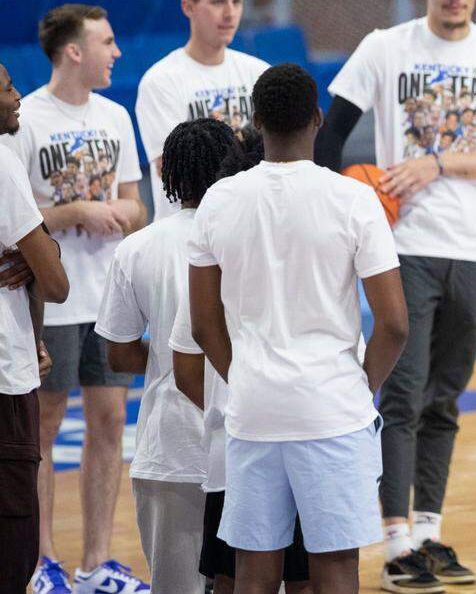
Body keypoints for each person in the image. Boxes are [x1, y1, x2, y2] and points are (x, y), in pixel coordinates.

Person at [315, 0, 476, 593]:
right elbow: (327, 136)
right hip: (402, 248)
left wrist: (438, 162)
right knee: (404, 396)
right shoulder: (386, 47)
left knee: (445, 400)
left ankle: (431, 531)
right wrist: (343, 204)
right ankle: (394, 543)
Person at [188, 63, 409, 593]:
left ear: (256, 121)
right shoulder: (354, 199)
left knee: (253, 572)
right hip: (332, 408)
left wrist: (241, 375)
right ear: (317, 118)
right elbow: (395, 323)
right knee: (333, 567)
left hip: (254, 408)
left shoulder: (219, 200)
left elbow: (202, 324)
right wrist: (362, 384)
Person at [0, 5, 150, 594]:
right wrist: (76, 212)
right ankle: (43, 561)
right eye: (106, 42)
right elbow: (14, 214)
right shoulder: (26, 118)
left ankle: (95, 561)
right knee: (42, 427)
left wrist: (120, 213)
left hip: (108, 295)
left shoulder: (115, 115)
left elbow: (138, 204)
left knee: (110, 422)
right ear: (73, 51)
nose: (116, 52)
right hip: (53, 301)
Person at [93, 118, 244, 593]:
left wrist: (166, 357)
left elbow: (118, 354)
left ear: (169, 176)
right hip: (245, 443)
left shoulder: (136, 247)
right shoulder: (251, 239)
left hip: (169, 450)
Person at [169, 122, 313, 594]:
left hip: (239, 445)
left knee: (239, 577)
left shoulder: (217, 249)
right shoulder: (312, 252)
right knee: (305, 575)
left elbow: (189, 364)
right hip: (306, 439)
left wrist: (237, 387)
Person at [0, 61, 70, 592]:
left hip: (17, 351)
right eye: (6, 88)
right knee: (13, 549)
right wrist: (46, 248)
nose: (18, 94)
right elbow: (56, 280)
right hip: (5, 375)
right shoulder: (3, 162)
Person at [135, 0, 269, 221]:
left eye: (236, 1)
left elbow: (278, 155)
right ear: (188, 6)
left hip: (250, 222)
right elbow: (173, 168)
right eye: (218, 1)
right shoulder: (161, 80)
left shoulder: (259, 72)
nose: (230, 13)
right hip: (190, 231)